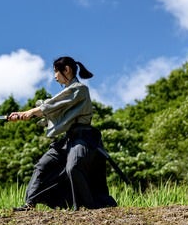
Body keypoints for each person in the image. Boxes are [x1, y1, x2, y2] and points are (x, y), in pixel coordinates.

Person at [7, 56, 116, 211]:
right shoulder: (68, 93)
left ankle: (90, 206)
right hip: (67, 140)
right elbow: (53, 111)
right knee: (42, 165)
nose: (54, 76)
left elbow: (52, 105)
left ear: (67, 70)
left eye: (56, 72)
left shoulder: (79, 89)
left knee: (73, 167)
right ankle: (29, 204)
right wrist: (22, 115)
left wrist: (30, 112)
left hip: (83, 139)